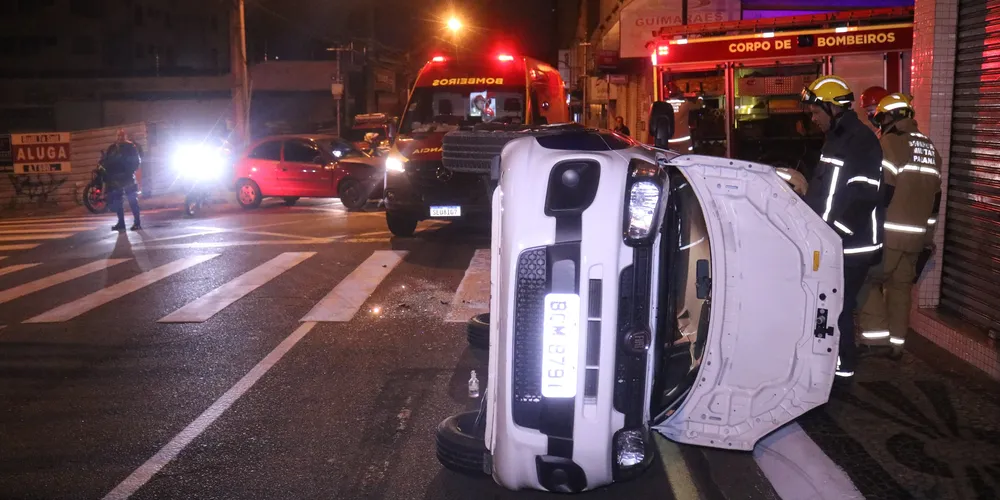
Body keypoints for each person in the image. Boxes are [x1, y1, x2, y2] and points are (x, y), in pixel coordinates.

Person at [800, 75, 885, 380]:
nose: (813, 118)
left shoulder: (860, 141)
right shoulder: (836, 139)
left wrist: (832, 234)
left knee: (839, 306)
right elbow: (826, 191)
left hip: (852, 246)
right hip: (834, 242)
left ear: (832, 108)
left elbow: (863, 197)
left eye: (815, 111)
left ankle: (842, 369)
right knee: (831, 305)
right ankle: (831, 364)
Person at [858, 93, 942, 360]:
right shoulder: (930, 149)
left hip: (890, 234)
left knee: (864, 279)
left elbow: (884, 190)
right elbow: (935, 202)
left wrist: (866, 224)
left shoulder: (891, 143)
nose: (879, 124)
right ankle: (896, 345)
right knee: (900, 289)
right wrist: (927, 237)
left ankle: (876, 340)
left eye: (880, 118)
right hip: (916, 239)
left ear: (890, 117)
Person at [104, 128, 143, 231]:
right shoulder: (112, 148)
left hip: (128, 178)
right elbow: (106, 161)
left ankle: (137, 223)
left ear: (126, 136)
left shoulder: (131, 147)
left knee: (132, 200)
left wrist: (129, 172)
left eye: (122, 135)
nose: (120, 137)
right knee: (118, 202)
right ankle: (121, 223)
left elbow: (136, 161)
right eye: (118, 135)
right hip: (116, 179)